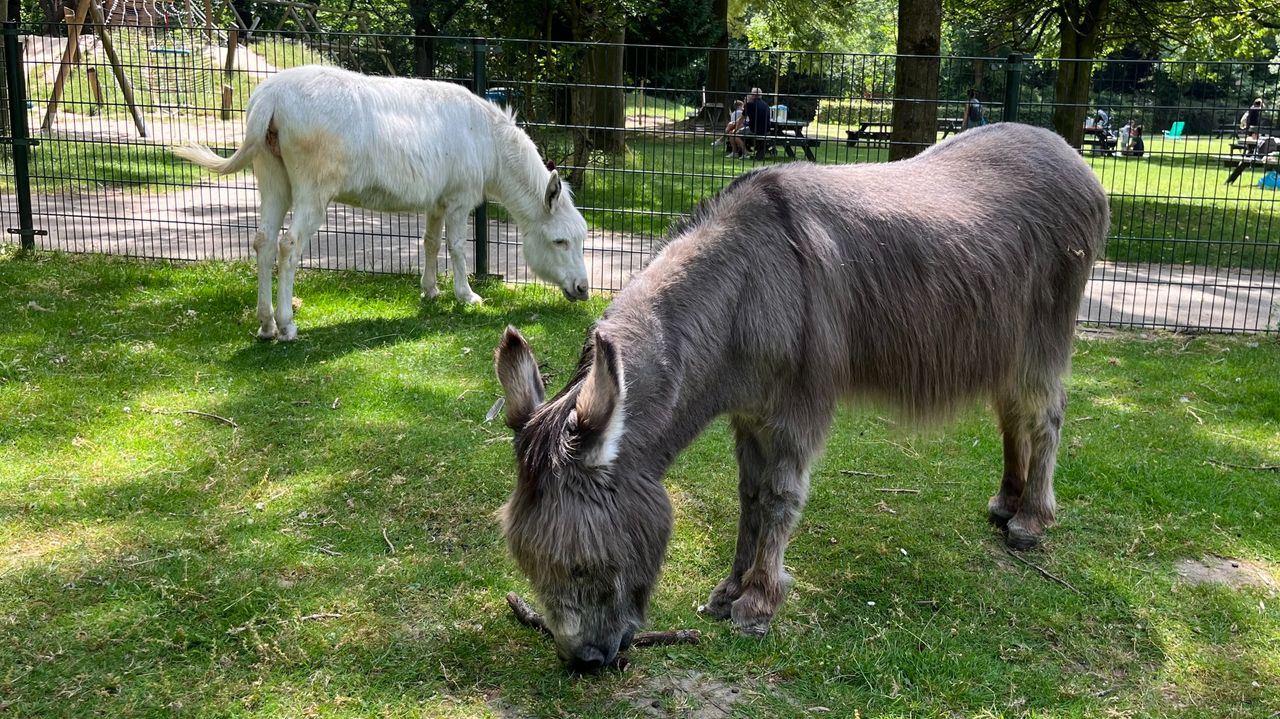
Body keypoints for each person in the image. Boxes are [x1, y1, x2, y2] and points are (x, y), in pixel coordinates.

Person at [742, 87, 772, 159]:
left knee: (736, 134)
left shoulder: (750, 104)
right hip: (766, 130)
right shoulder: (766, 105)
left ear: (753, 95)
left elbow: (741, 118)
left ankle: (745, 153)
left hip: (755, 130)